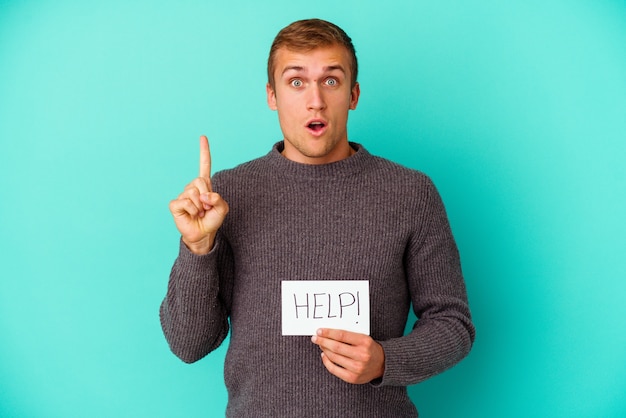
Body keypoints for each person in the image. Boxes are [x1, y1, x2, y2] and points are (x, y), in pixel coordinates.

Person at [160, 18, 475, 417]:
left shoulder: (411, 192)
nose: (315, 101)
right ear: (272, 96)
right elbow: (189, 345)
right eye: (296, 82)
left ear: (353, 94)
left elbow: (453, 324)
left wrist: (384, 360)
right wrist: (198, 248)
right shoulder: (225, 196)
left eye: (330, 81)